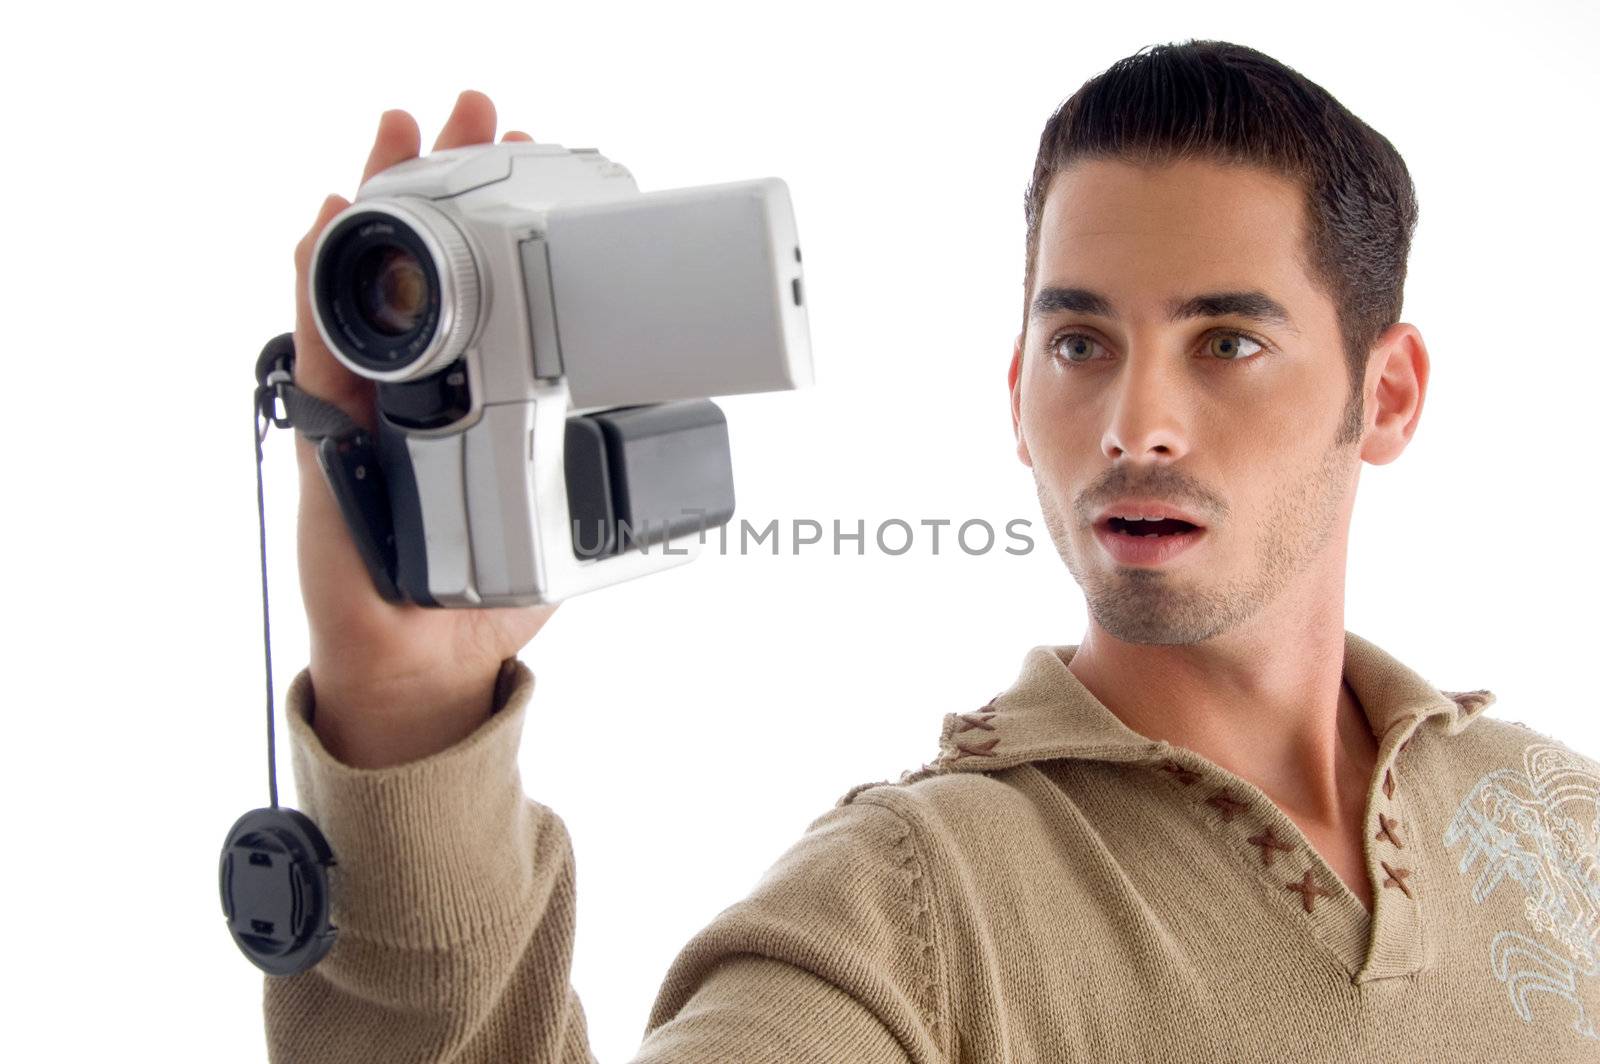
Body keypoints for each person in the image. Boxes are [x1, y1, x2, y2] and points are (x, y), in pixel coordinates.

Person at [264, 40, 1600, 1062]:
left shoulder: (1561, 823)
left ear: (1393, 393)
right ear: (1017, 389)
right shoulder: (912, 909)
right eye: (1081, 345)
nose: (1136, 424)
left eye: (1228, 344)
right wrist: (407, 725)